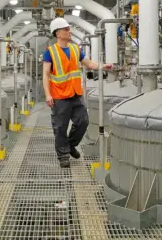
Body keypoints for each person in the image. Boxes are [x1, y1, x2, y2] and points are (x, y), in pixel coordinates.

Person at [43, 17, 112, 168]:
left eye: (69, 28)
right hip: (59, 96)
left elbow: (89, 64)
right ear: (58, 33)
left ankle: (70, 144)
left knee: (83, 122)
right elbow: (46, 74)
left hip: (76, 94)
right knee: (60, 127)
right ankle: (63, 155)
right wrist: (48, 94)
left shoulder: (75, 49)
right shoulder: (50, 52)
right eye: (66, 29)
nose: (69, 31)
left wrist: (103, 66)